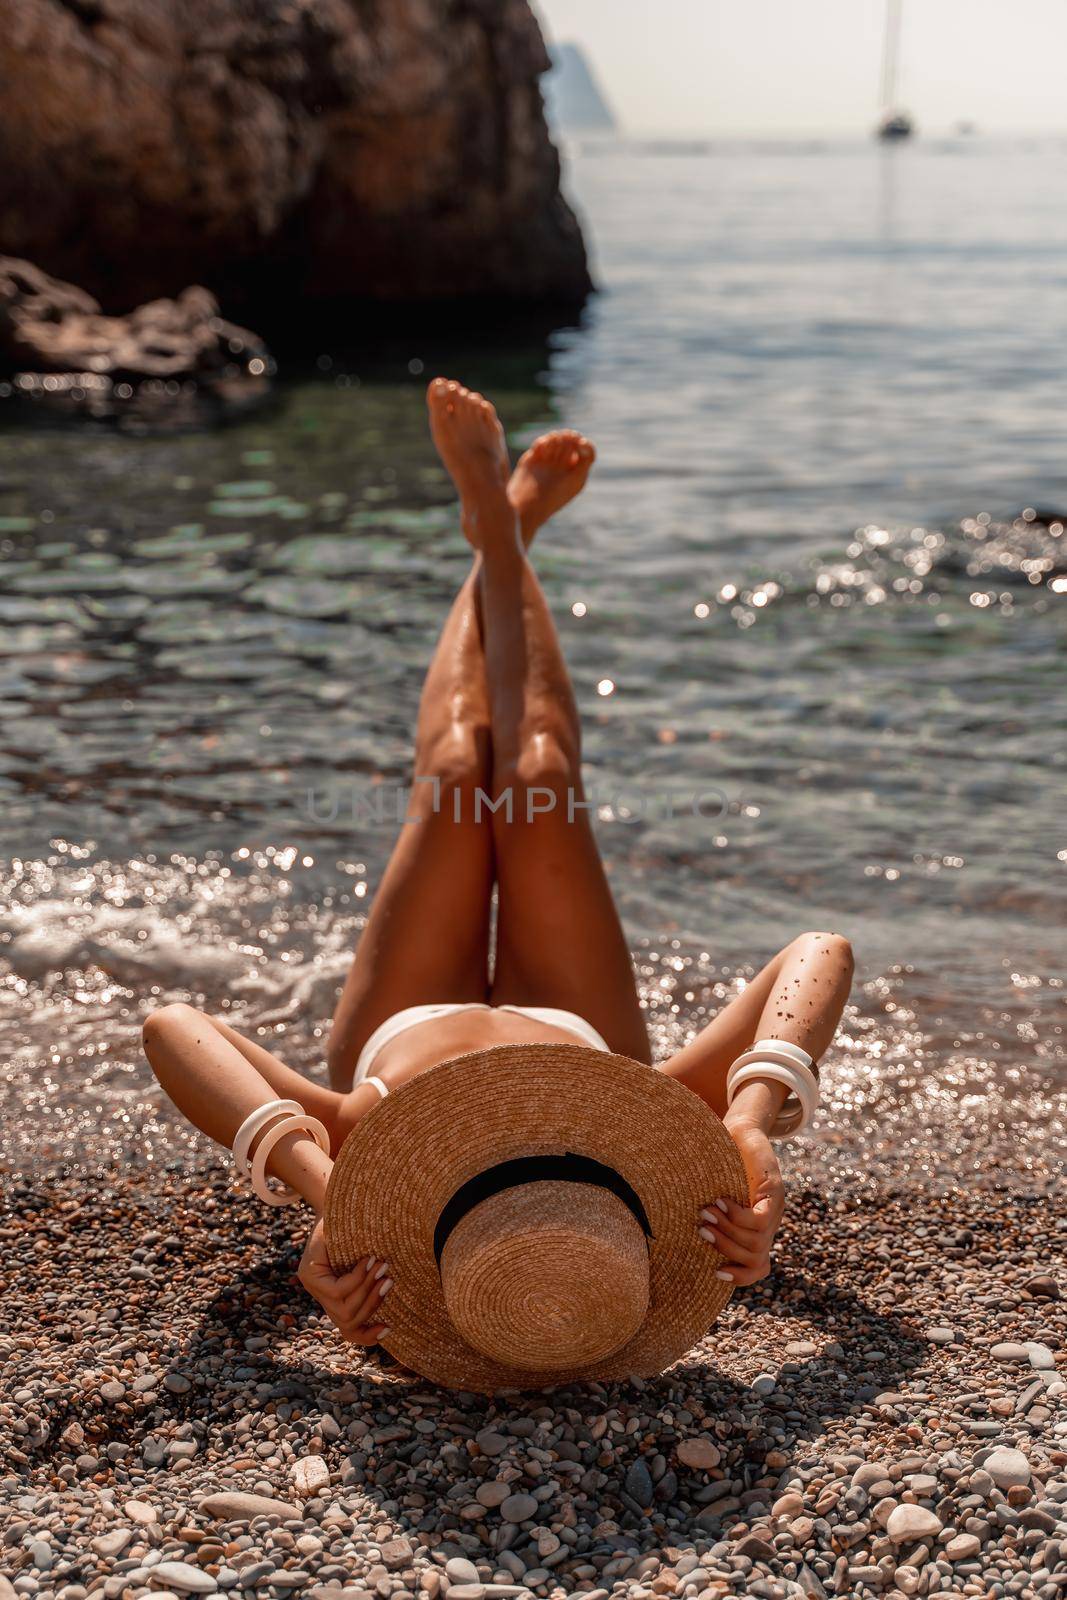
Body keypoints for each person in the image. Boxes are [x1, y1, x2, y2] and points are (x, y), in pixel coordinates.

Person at [143, 379, 853, 1353]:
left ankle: (498, 533)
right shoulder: (651, 1122)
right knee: (536, 770)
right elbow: (817, 953)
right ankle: (502, 537)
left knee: (454, 769)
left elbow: (172, 1027)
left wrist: (331, 1194)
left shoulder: (360, 1139)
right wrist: (752, 1122)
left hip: (403, 1022)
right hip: (580, 1028)